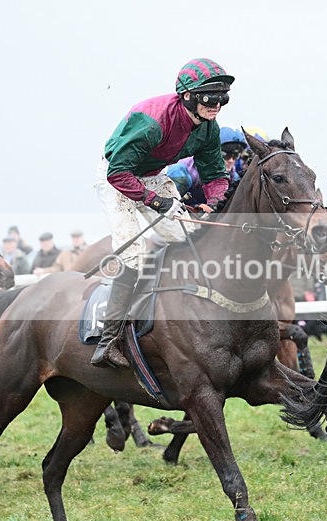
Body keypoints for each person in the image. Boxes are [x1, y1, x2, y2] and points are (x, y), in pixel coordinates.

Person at [91, 57, 234, 367]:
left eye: (222, 96)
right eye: (210, 96)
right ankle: (108, 340)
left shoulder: (208, 128)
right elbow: (118, 173)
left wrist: (215, 200)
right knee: (135, 255)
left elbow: (214, 174)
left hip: (152, 174)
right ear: (188, 96)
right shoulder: (153, 122)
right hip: (117, 177)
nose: (217, 104)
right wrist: (156, 201)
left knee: (192, 236)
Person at [166, 126, 246, 207]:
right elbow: (166, 205)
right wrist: (196, 208)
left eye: (236, 156)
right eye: (226, 155)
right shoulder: (181, 171)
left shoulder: (234, 177)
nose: (231, 160)